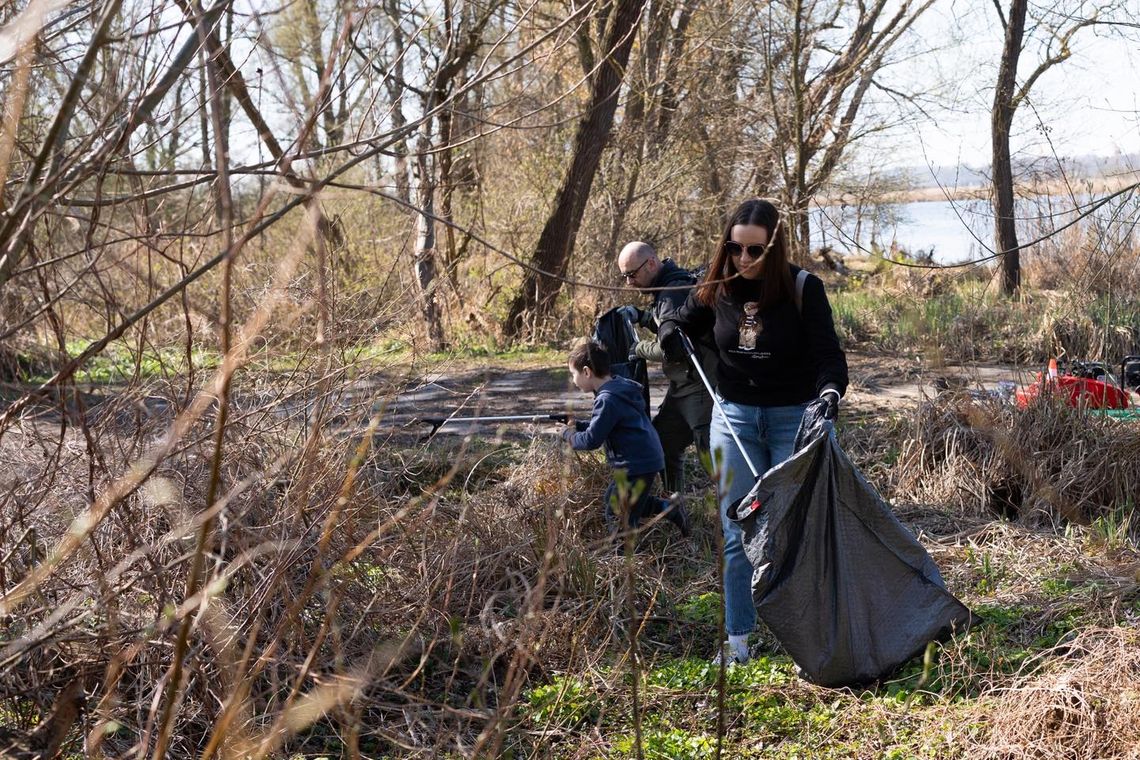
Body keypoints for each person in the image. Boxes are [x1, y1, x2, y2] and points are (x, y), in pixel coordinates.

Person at [659, 198, 848, 664]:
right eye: (736, 248)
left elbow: (829, 357)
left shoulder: (803, 288)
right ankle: (738, 642)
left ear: (775, 248)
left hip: (792, 418)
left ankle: (810, 636)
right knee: (737, 529)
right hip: (734, 418)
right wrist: (668, 330)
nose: (744, 260)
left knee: (795, 530)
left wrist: (828, 396)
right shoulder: (716, 284)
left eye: (755, 251)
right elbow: (682, 318)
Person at [563, 338, 690, 540]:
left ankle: (624, 552)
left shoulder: (607, 399)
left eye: (573, 374)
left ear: (587, 372)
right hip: (643, 459)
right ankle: (669, 508)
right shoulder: (617, 388)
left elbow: (591, 440)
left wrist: (567, 435)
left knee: (618, 512)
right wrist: (577, 425)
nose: (573, 380)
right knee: (618, 500)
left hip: (636, 463)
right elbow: (607, 427)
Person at [615, 241, 715, 498]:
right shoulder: (667, 288)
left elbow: (672, 347)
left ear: (651, 263)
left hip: (700, 388)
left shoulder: (673, 291)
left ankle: (735, 522)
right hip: (681, 388)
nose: (629, 282)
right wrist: (642, 316)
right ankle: (674, 506)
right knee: (664, 442)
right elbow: (668, 323)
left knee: (714, 461)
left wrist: (638, 350)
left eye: (632, 274)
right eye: (624, 276)